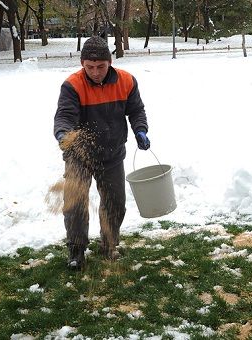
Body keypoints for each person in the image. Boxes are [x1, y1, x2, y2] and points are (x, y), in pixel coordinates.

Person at [54, 36, 150, 270]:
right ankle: (76, 250)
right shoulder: (73, 85)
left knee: (115, 202)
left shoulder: (126, 81)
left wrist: (140, 130)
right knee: (75, 203)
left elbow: (136, 110)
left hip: (112, 153)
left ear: (109, 62)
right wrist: (63, 134)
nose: (95, 72)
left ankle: (109, 245)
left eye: (100, 67)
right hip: (80, 155)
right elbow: (64, 117)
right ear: (82, 63)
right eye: (89, 67)